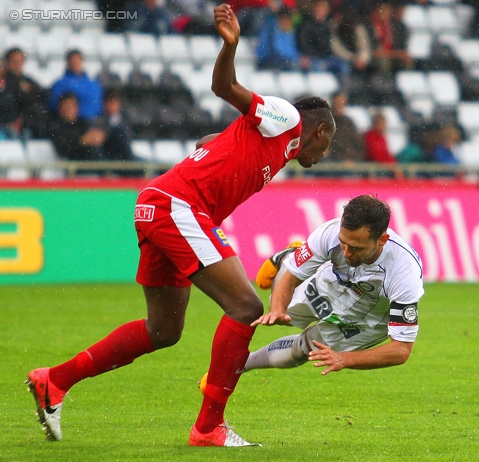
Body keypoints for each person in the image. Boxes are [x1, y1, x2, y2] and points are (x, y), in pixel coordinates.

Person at [26, 3, 335, 448]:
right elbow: (223, 85)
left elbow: (209, 141)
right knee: (247, 307)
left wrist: (217, 148)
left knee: (163, 331)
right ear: (321, 131)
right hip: (178, 207)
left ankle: (54, 381)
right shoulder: (289, 118)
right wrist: (230, 46)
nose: (324, 154)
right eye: (328, 145)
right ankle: (209, 427)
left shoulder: (274, 144)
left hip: (156, 206)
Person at [244, 195, 423, 376]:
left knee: (305, 350)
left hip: (370, 316)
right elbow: (290, 277)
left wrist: (344, 359)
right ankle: (293, 256)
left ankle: (243, 365)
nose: (346, 253)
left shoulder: (404, 272)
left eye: (356, 248)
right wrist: (277, 309)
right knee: (282, 310)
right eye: (342, 243)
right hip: (333, 283)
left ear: (382, 240)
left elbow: (401, 350)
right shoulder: (330, 232)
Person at [3, 47, 49, 138]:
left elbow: (43, 95)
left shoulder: (27, 81)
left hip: (31, 122)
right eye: (14, 60)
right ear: (7, 62)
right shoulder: (3, 81)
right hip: (10, 125)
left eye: (19, 60)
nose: (17, 63)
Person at [47, 92, 106, 162]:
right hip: (73, 162)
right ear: (60, 108)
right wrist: (81, 141)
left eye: (71, 106)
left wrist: (99, 136)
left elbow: (92, 137)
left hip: (89, 157)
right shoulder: (55, 126)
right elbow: (63, 149)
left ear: (76, 107)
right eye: (65, 106)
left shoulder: (83, 123)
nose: (68, 109)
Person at [297, 0, 350, 76]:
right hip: (314, 58)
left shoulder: (329, 25)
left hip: (328, 58)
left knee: (344, 65)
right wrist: (318, 57)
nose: (321, 10)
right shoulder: (306, 25)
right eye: (319, 8)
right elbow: (304, 45)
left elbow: (334, 44)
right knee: (319, 66)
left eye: (323, 8)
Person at [48, 49, 103, 121]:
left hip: (92, 122)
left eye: (77, 60)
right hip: (67, 124)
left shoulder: (94, 85)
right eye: (72, 60)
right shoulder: (59, 84)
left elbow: (99, 106)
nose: (75, 63)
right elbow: (54, 105)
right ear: (68, 62)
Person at [365, 1, 413, 74]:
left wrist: (400, 54)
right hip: (376, 56)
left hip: (391, 55)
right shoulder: (368, 26)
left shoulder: (396, 26)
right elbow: (373, 50)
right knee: (384, 62)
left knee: (406, 62)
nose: (384, 13)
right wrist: (394, 54)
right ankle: (386, 84)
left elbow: (400, 47)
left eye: (387, 10)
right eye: (382, 10)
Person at [255, 7, 303, 71]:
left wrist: (298, 59)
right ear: (280, 19)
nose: (287, 23)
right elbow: (271, 52)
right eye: (284, 19)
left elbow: (293, 52)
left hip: (285, 63)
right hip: (269, 63)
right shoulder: (270, 31)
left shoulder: (291, 33)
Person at [325, 91, 366, 163]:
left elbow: (357, 144)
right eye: (337, 102)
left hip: (351, 163)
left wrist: (353, 159)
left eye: (342, 103)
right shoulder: (325, 121)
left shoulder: (348, 122)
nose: (340, 105)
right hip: (333, 163)